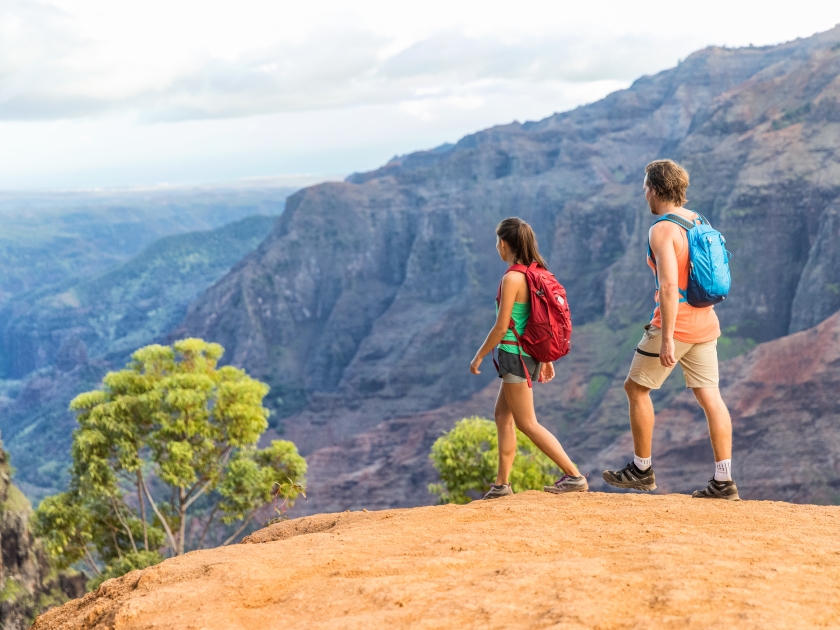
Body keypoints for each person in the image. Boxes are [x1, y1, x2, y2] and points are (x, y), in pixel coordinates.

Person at [602, 160, 740, 500]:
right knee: (711, 398)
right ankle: (724, 481)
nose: (644, 194)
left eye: (645, 187)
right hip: (706, 324)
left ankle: (642, 469)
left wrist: (665, 339)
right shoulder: (698, 220)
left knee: (635, 389)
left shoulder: (662, 230)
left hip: (676, 325)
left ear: (656, 189)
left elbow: (667, 287)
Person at [470, 217, 587, 499]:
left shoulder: (512, 278)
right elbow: (537, 320)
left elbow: (502, 327)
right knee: (502, 416)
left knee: (526, 422)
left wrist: (479, 356)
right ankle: (502, 485)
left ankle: (574, 475)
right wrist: (544, 357)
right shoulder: (535, 274)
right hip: (528, 354)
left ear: (503, 243)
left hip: (514, 356)